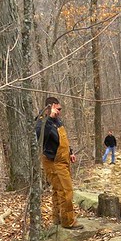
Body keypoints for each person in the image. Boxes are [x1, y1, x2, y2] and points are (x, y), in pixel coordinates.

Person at [34, 96, 83, 229]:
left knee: (58, 190)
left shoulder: (58, 121)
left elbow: (63, 138)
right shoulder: (42, 121)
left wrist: (70, 152)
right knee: (66, 191)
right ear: (50, 107)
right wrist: (49, 118)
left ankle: (58, 219)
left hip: (64, 160)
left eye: (60, 109)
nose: (59, 111)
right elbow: (39, 136)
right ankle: (68, 221)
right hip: (53, 162)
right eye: (58, 109)